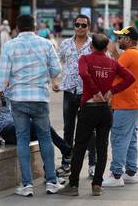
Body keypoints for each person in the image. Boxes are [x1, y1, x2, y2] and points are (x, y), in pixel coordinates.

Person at [58, 34, 135, 196]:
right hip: (105, 111)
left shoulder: (85, 59)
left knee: (79, 146)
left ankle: (73, 185)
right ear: (107, 48)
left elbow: (84, 74)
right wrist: (111, 91)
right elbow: (130, 78)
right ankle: (97, 185)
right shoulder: (113, 62)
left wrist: (95, 91)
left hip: (89, 108)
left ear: (91, 46)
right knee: (102, 147)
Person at [0, 15, 64, 196]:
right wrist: (44, 74)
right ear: (34, 27)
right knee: (45, 138)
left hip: (18, 99)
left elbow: (2, 74)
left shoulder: (9, 45)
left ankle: (27, 185)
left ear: (17, 28)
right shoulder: (46, 43)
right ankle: (51, 181)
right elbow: (57, 70)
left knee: (23, 139)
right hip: (40, 97)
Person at [0, 67, 71, 158]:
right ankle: (67, 151)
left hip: (16, 127)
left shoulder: (6, 91)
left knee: (44, 131)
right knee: (41, 127)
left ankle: (54, 168)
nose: (0, 75)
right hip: (4, 131)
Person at [56, 14, 97, 179]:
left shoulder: (94, 44)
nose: (80, 28)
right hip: (69, 92)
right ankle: (67, 162)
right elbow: (56, 63)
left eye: (83, 25)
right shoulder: (65, 43)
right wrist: (54, 80)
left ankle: (92, 164)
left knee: (89, 130)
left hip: (87, 93)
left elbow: (104, 63)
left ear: (89, 27)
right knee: (68, 128)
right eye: (77, 25)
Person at [104, 26, 138, 187]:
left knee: (119, 138)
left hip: (125, 103)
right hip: (132, 102)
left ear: (128, 39)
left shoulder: (129, 54)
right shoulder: (136, 53)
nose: (117, 40)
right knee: (130, 139)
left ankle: (116, 175)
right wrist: (115, 53)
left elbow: (112, 70)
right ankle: (131, 172)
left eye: (120, 38)